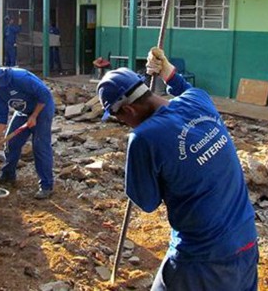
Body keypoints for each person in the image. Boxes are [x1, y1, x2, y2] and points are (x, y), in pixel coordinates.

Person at [96, 48, 259, 291]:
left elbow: (147, 202)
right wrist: (169, 73)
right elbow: (187, 91)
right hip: (245, 240)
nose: (123, 124)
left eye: (120, 119)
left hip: (201, 258)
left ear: (128, 110)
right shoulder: (198, 100)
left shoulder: (143, 138)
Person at [0, 59, 55, 199]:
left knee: (40, 146)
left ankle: (47, 185)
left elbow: (45, 95)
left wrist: (34, 116)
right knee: (12, 143)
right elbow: (1, 115)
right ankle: (8, 175)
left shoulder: (19, 77)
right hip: (23, 112)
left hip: (42, 109)